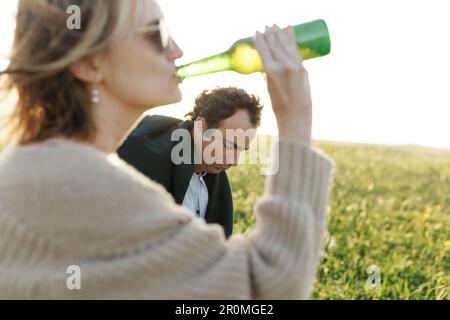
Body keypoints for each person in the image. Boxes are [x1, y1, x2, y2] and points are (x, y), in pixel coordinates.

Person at [0, 0, 333, 299]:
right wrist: (296, 121)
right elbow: (267, 287)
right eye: (155, 34)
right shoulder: (77, 181)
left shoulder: (47, 164)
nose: (177, 50)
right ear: (90, 63)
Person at [117, 87, 264, 238]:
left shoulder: (215, 179)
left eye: (241, 149)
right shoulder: (145, 159)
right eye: (228, 144)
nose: (234, 161)